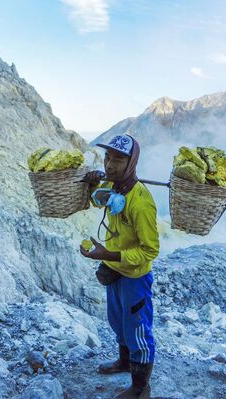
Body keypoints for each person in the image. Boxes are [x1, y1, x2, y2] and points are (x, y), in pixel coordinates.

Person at [80, 134, 160, 399]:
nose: (110, 165)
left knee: (137, 328)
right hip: (115, 271)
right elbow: (101, 201)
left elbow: (151, 250)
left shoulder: (141, 202)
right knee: (118, 321)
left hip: (134, 277)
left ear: (132, 163)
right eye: (108, 158)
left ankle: (140, 387)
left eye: (118, 160)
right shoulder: (115, 188)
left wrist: (109, 255)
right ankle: (124, 362)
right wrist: (92, 187)